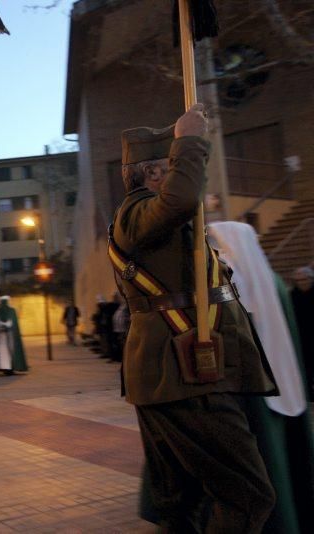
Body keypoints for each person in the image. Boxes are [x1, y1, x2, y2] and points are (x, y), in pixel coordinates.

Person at [110, 105, 277, 532]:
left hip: (177, 373)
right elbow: (181, 200)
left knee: (179, 502)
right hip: (183, 374)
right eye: (173, 166)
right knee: (247, 496)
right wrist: (189, 141)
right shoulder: (137, 212)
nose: (180, 173)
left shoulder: (152, 215)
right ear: (153, 173)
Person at [207, 221, 314, 533]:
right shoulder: (276, 281)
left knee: (265, 456)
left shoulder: (233, 281)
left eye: (216, 241)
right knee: (288, 457)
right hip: (286, 380)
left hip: (251, 389)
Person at [290, 266, 314, 397]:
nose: (302, 283)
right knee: (306, 365)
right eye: (298, 280)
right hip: (302, 336)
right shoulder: (293, 295)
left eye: (304, 279)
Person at [0, 296, 27, 374]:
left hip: (4, 335)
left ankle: (7, 368)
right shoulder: (11, 310)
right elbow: (11, 323)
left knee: (4, 352)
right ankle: (10, 368)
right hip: (8, 335)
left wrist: (2, 326)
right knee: (8, 351)